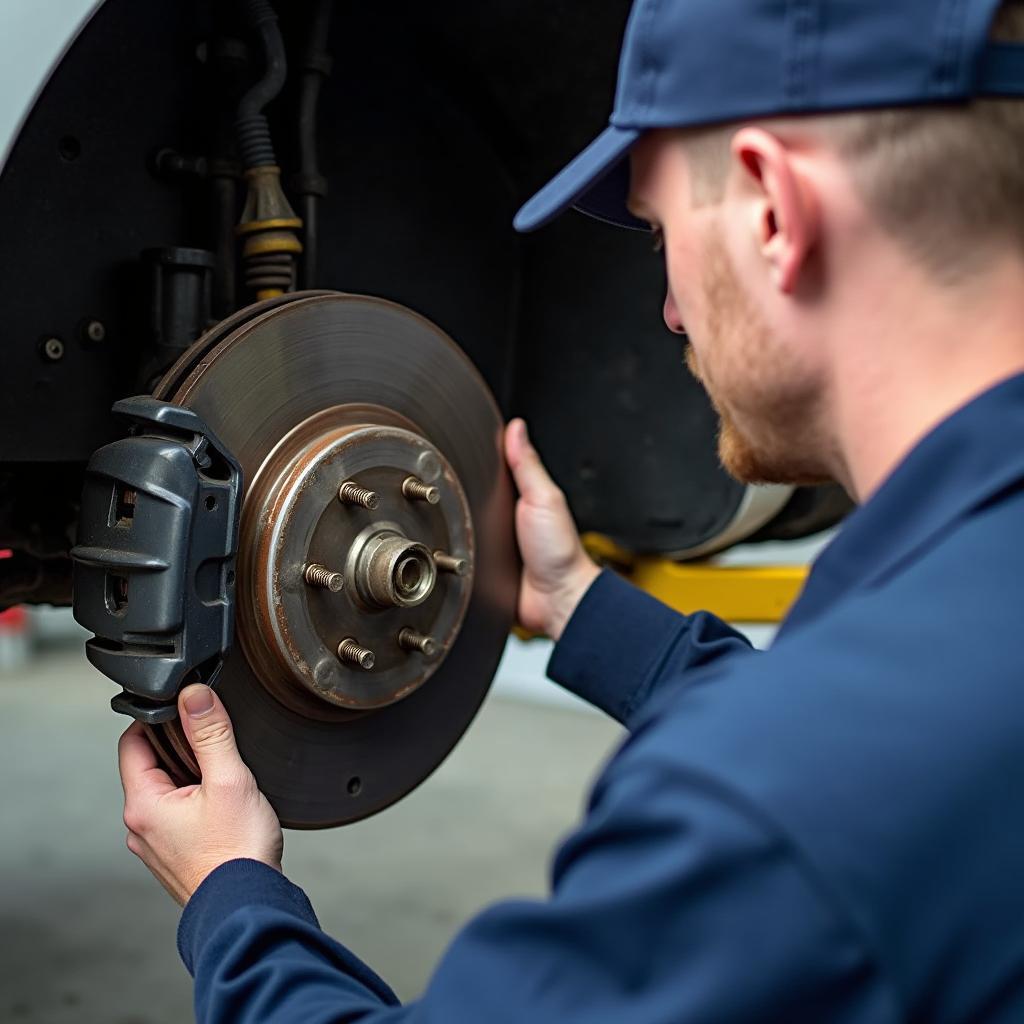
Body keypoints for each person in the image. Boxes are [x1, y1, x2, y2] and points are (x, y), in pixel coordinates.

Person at [118, 0, 1024, 1019]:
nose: (672, 311)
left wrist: (230, 896)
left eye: (659, 233)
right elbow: (872, 747)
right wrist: (579, 599)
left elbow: (816, 780)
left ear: (774, 208)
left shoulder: (770, 811)